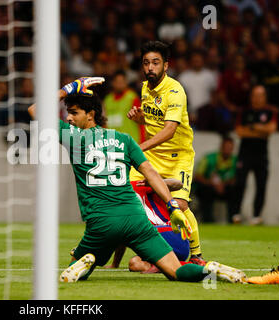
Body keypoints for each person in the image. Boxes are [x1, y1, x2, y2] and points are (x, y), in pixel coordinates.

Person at [28, 77, 247, 284]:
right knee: (175, 270)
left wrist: (71, 87)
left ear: (91, 114)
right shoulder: (125, 139)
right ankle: (210, 270)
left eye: (74, 113)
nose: (68, 118)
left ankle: (84, 261)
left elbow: (34, 110)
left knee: (77, 266)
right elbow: (151, 174)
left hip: (101, 222)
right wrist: (172, 205)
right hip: (135, 220)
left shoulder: (72, 137)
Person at [127, 41, 205, 265]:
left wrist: (138, 148)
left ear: (166, 65)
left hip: (177, 156)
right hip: (153, 155)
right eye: (146, 63)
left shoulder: (174, 90)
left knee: (180, 205)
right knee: (128, 194)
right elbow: (155, 122)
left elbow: (170, 130)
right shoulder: (144, 88)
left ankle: (197, 255)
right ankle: (150, 247)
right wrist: (141, 118)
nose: (150, 67)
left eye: (155, 63)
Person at [104, 178, 190, 273]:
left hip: (170, 234)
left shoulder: (137, 186)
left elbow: (178, 184)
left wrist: (153, 182)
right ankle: (181, 265)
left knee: (133, 232)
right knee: (135, 264)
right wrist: (115, 264)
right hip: (164, 245)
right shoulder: (113, 202)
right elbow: (122, 235)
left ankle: (161, 266)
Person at [229, 85, 277, 225]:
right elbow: (239, 132)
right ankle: (235, 214)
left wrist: (252, 127)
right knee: (240, 183)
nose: (257, 98)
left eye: (260, 95)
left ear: (265, 97)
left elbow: (271, 129)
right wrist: (261, 131)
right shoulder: (244, 111)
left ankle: (256, 216)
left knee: (261, 185)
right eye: (255, 95)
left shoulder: (270, 111)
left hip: (261, 155)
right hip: (245, 154)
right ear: (251, 97)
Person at [194, 136, 237, 223]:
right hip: (208, 187)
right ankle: (207, 220)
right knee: (205, 191)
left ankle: (232, 220)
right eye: (226, 147)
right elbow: (197, 176)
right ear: (221, 147)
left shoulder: (235, 161)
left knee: (236, 190)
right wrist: (211, 183)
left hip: (224, 188)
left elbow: (236, 178)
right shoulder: (209, 158)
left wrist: (222, 185)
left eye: (230, 148)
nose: (228, 150)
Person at [103, 70, 145, 143]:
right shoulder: (107, 100)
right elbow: (104, 122)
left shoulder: (132, 98)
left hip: (131, 143)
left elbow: (141, 121)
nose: (120, 84)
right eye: (118, 82)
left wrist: (142, 141)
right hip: (113, 144)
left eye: (122, 82)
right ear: (113, 83)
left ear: (126, 82)